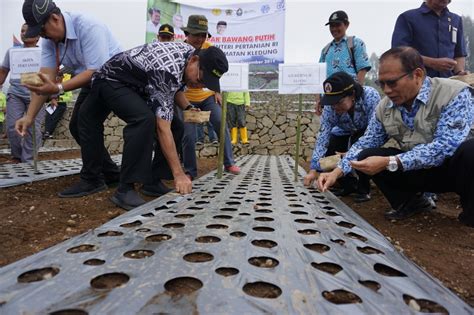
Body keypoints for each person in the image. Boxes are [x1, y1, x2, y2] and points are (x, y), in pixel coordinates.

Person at [317, 47, 474, 227]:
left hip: (455, 172)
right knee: (366, 153)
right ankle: (412, 202)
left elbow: (444, 148)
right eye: (381, 83)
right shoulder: (385, 107)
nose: (387, 90)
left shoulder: (453, 93)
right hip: (418, 171)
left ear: (417, 75)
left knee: (470, 151)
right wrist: (336, 172)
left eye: (392, 83)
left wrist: (390, 161)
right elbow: (366, 141)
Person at [77, 42, 228, 210]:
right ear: (194, 60)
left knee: (177, 126)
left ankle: (153, 181)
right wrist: (179, 174)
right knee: (144, 120)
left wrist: (188, 107)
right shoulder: (167, 69)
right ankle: (125, 189)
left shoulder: (188, 56)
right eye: (200, 79)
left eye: (205, 84)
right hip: (111, 80)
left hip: (137, 85)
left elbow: (175, 88)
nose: (199, 86)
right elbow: (162, 127)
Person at [16, 0, 122, 196]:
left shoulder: (89, 26)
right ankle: (111, 172)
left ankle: (92, 179)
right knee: (75, 126)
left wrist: (58, 87)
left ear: (55, 18)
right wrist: (29, 117)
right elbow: (45, 81)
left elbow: (96, 70)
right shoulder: (51, 41)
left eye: (43, 30)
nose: (43, 36)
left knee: (86, 120)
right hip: (91, 81)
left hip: (113, 78)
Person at [304, 72, 380, 202]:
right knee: (331, 152)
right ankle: (348, 185)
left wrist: (351, 151)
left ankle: (363, 188)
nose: (335, 107)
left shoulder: (370, 96)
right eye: (332, 103)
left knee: (362, 152)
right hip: (343, 130)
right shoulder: (330, 107)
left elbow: (375, 132)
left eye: (339, 102)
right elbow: (323, 137)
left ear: (352, 94)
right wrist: (313, 169)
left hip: (366, 131)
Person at [181, 15, 240, 178]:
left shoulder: (209, 48)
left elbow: (215, 73)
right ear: (187, 34)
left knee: (221, 122)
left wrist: (217, 92)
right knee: (189, 134)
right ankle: (190, 171)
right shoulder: (181, 51)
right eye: (196, 35)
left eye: (203, 35)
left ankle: (229, 162)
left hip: (207, 97)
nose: (200, 38)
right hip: (186, 99)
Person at [0, 23, 44, 163]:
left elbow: (51, 75)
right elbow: (3, 72)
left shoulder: (44, 53)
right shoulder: (12, 52)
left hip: (37, 95)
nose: (23, 33)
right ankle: (17, 157)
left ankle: (28, 160)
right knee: (12, 126)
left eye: (27, 30)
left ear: (37, 36)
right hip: (15, 94)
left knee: (33, 129)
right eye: (21, 30)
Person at [392, 0, 468, 78]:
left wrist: (459, 72)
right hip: (417, 82)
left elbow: (459, 53)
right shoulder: (408, 18)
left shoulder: (456, 20)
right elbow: (399, 52)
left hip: (449, 84)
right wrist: (432, 63)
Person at [315, 10, 371, 115]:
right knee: (329, 129)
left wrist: (356, 96)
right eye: (331, 26)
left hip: (349, 98)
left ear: (346, 25)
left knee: (356, 127)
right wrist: (318, 99)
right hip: (330, 100)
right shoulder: (325, 50)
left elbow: (362, 69)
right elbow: (319, 76)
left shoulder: (355, 43)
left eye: (337, 25)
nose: (334, 29)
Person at [44, 71, 73, 139]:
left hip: (61, 104)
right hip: (52, 104)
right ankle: (47, 132)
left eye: (58, 77)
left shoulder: (66, 85)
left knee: (55, 117)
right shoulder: (52, 84)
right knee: (48, 116)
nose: (57, 79)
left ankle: (48, 132)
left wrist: (59, 98)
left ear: (62, 77)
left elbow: (69, 97)